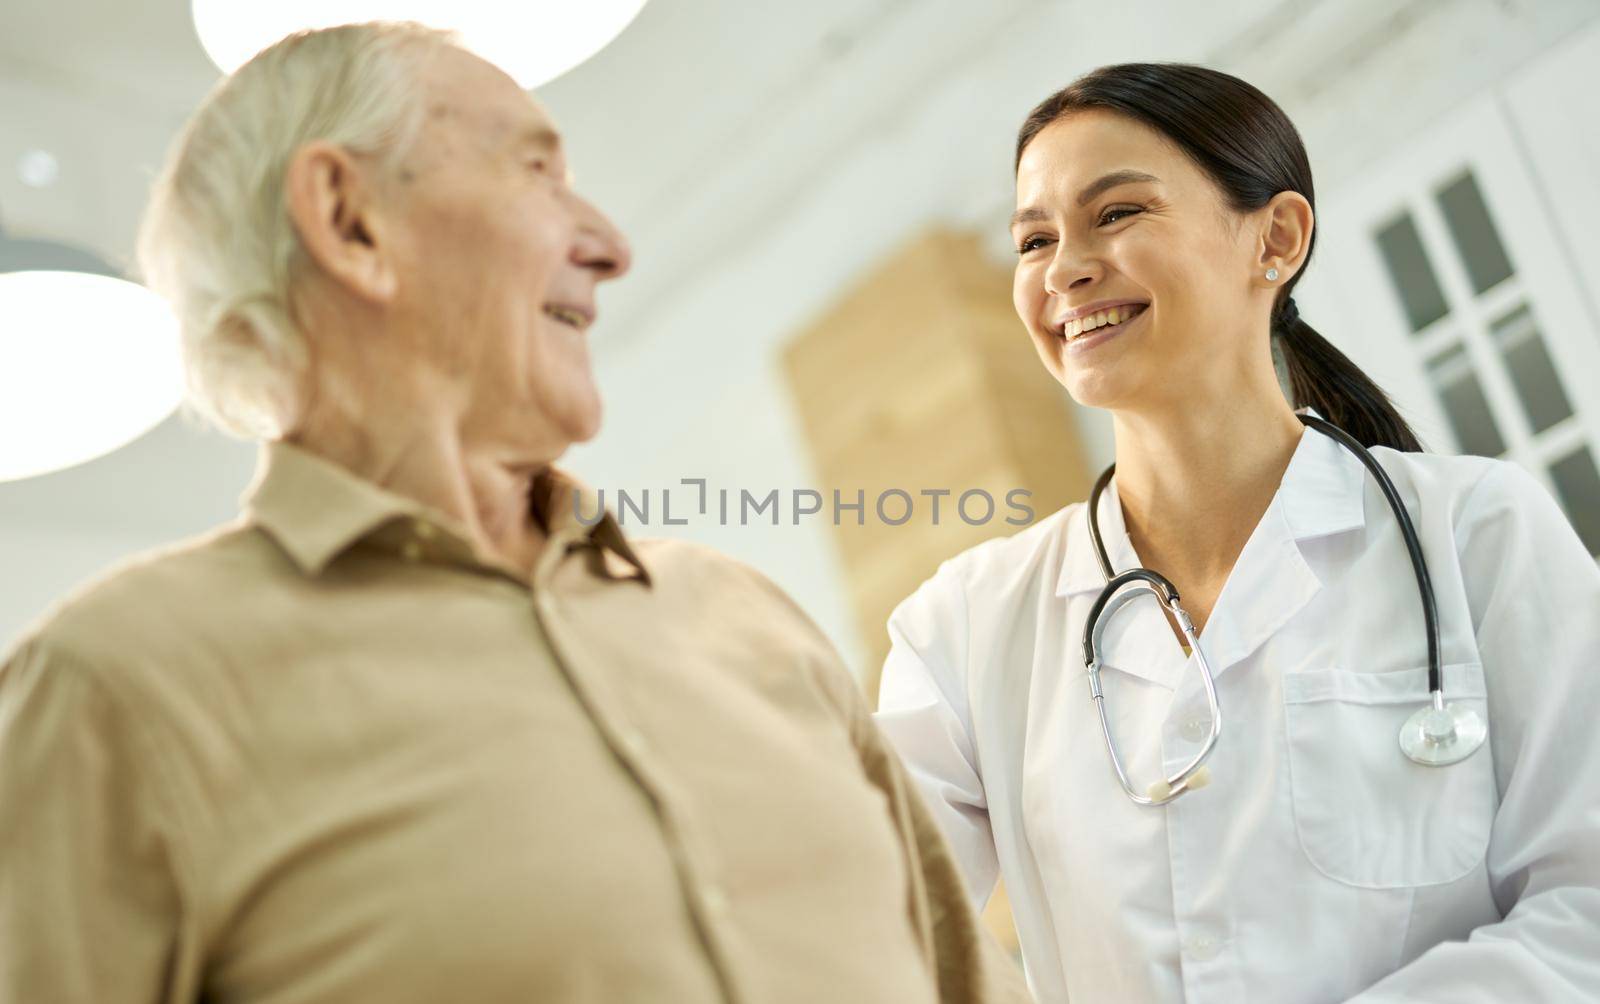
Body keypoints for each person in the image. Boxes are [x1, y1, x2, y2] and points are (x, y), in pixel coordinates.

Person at [0, 23, 1030, 1004]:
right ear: (350, 220)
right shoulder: (115, 691)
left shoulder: (742, 615)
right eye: (536, 171)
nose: (610, 245)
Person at [875, 62, 1600, 1003]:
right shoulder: (964, 631)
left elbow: (1585, 909)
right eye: (1032, 239)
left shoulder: (1480, 536)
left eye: (1118, 213)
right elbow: (865, 929)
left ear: (1277, 237)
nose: (1064, 268)